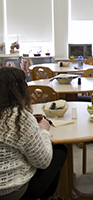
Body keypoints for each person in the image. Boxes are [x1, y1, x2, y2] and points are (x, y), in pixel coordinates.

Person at [0, 67, 68, 200]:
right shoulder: (20, 118)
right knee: (60, 151)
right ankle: (48, 197)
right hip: (12, 192)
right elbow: (43, 162)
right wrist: (43, 130)